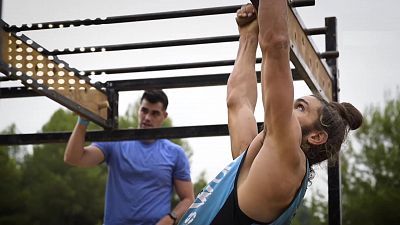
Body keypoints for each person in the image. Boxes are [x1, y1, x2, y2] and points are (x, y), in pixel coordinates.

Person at [178, 2, 363, 225]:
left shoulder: (289, 160)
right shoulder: (259, 163)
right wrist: (248, 35)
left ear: (316, 136)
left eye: (301, 107)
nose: (290, 107)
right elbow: (238, 102)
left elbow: (276, 44)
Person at [64, 89, 195, 225]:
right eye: (144, 110)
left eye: (155, 113)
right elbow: (73, 158)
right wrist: (83, 120)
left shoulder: (175, 153)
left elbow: (188, 199)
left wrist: (170, 219)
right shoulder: (116, 142)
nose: (148, 118)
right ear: (138, 110)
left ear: (164, 116)